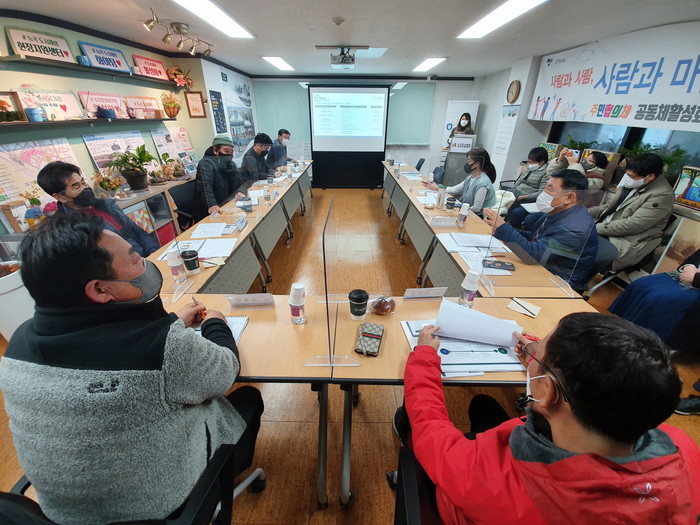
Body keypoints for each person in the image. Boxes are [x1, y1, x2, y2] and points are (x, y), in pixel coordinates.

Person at [0, 214, 264, 524]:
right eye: (135, 258)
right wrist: (216, 323)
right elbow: (225, 370)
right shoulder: (162, 347)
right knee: (248, 399)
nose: (144, 262)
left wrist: (172, 322)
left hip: (62, 512)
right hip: (158, 507)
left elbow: (101, 348)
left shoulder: (18, 345)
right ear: (100, 290)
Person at [393, 313, 700, 523]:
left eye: (539, 353)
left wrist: (425, 356)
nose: (534, 352)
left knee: (415, 422)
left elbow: (430, 425)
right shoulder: (683, 447)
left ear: (549, 391)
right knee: (484, 407)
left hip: (467, 503)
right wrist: (537, 353)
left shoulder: (486, 478)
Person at [483, 169, 597, 290]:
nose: (544, 194)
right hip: (542, 266)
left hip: (557, 282)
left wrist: (504, 229)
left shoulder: (575, 229)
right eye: (545, 188)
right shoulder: (559, 211)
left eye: (549, 189)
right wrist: (500, 230)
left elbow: (532, 256)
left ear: (569, 197)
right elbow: (535, 237)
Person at [36, 161, 158, 257]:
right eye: (76, 187)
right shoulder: (68, 229)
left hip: (143, 257)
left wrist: (154, 252)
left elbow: (137, 231)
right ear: (60, 197)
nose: (85, 188)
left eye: (83, 182)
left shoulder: (105, 205)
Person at [589, 153, 674, 271]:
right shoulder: (634, 183)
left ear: (650, 176)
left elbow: (634, 225)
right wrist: (586, 212)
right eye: (626, 174)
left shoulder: (662, 195)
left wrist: (593, 228)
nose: (627, 178)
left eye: (631, 176)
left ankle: (576, 280)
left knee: (577, 249)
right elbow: (611, 207)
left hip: (624, 241)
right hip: (604, 229)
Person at [609, 249, 700, 355]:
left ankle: (644, 344)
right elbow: (692, 259)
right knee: (642, 284)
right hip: (687, 277)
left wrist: (695, 278)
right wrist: (689, 267)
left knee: (660, 299)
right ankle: (622, 329)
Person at [424, 147, 496, 214]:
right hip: (466, 212)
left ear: (477, 164)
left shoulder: (482, 184)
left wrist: (458, 209)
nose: (466, 164)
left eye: (469, 162)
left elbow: (476, 208)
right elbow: (455, 189)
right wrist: (437, 188)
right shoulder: (470, 178)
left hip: (477, 216)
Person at [192, 134, 247, 222]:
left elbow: (241, 182)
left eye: (231, 152)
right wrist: (212, 204)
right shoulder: (205, 164)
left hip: (227, 206)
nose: (229, 155)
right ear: (215, 150)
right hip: (211, 211)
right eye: (226, 151)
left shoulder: (230, 164)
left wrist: (241, 191)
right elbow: (205, 187)